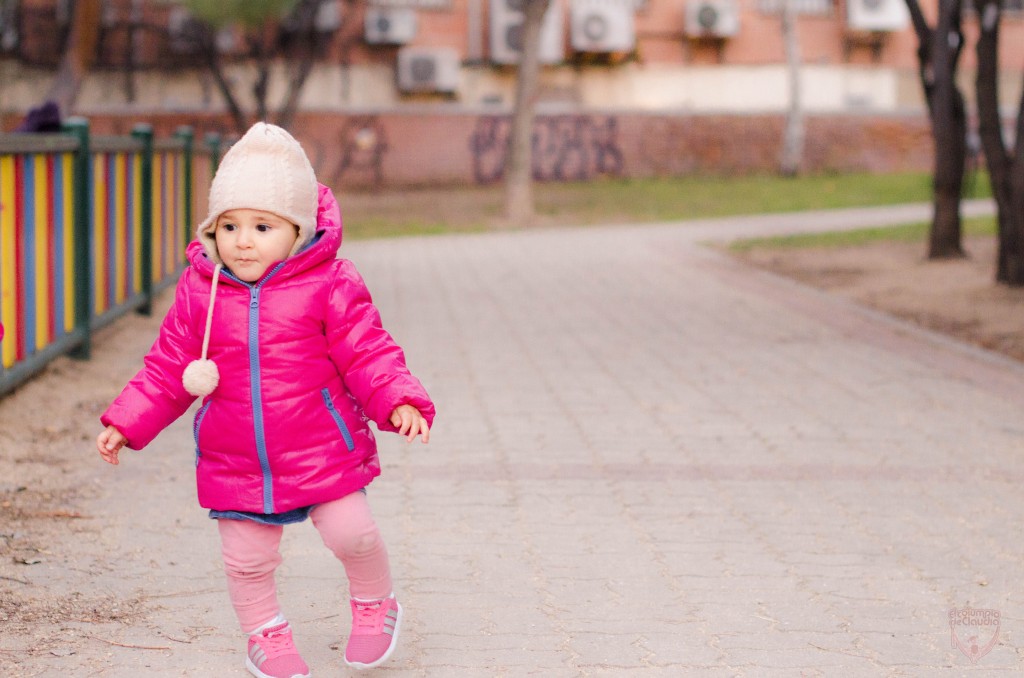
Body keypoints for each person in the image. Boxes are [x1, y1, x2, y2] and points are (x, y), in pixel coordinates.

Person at [96, 122, 434, 677]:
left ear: (297, 231)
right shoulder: (200, 291)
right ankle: (266, 634)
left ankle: (376, 605)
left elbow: (367, 350)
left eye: (261, 226)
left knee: (354, 535)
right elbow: (167, 368)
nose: (242, 240)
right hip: (237, 457)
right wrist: (126, 423)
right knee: (247, 561)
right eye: (228, 225)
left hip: (321, 446)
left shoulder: (329, 283)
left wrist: (399, 399)